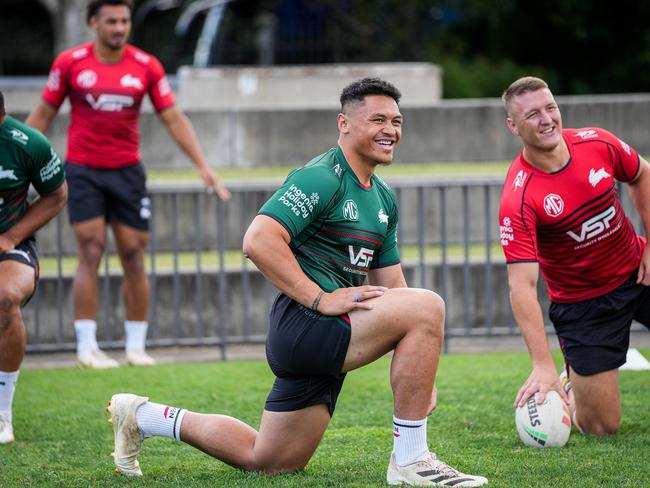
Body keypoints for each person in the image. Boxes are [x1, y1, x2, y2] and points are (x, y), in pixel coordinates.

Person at [106, 78, 488, 486]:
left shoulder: (382, 197)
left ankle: (142, 416)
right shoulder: (321, 177)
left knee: (270, 460)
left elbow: (394, 285)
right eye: (377, 119)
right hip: (307, 325)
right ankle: (411, 460)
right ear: (344, 123)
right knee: (429, 304)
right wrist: (320, 298)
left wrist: (421, 378)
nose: (390, 130)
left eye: (397, 121)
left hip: (326, 331)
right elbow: (258, 240)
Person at [26, 0, 231, 369]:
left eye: (124, 20)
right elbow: (43, 113)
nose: (119, 27)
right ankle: (87, 347)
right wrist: (19, 158)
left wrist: (204, 166)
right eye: (111, 21)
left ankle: (136, 346)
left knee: (134, 255)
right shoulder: (70, 63)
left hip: (127, 172)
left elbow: (173, 118)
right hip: (84, 170)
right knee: (90, 249)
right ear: (93, 23)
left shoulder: (145, 65)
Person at [499, 76, 650, 435]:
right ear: (513, 125)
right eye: (533, 114)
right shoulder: (518, 198)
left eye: (550, 107)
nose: (547, 119)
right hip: (585, 306)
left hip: (638, 271)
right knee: (601, 426)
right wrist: (542, 364)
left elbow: (642, 174)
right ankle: (572, 382)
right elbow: (521, 286)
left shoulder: (597, 142)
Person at [0, 91, 68, 443]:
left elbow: (57, 194)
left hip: (10, 245)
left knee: (6, 297)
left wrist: (12, 235)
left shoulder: (28, 144)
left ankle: (1, 412)